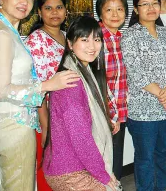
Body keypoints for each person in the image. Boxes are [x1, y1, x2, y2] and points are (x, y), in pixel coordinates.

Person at [0, 0, 79, 190]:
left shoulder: (5, 30)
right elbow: (1, 90)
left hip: (11, 121)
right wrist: (48, 85)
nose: (25, 2)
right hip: (12, 125)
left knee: (14, 183)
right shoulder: (1, 34)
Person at [43, 16, 120, 191]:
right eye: (84, 39)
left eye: (96, 39)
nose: (92, 46)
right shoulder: (71, 82)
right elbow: (81, 138)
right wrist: (103, 175)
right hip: (70, 171)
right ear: (70, 43)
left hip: (73, 163)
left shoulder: (83, 71)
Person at [121, 0, 166, 191]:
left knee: (161, 154)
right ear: (136, 10)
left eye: (154, 3)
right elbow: (136, 71)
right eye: (144, 4)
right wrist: (162, 94)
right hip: (142, 111)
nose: (151, 7)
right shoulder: (129, 35)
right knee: (145, 159)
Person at [25, 0, 68, 191]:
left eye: (59, 7)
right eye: (48, 8)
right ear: (40, 12)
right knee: (48, 169)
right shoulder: (36, 40)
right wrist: (46, 126)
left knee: (65, 169)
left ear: (66, 11)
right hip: (47, 117)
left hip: (67, 115)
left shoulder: (68, 37)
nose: (54, 12)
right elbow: (38, 86)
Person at [95, 0, 129, 190]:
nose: (115, 14)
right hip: (103, 113)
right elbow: (97, 81)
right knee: (100, 160)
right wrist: (110, 114)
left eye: (120, 9)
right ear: (100, 13)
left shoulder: (121, 38)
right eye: (109, 10)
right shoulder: (96, 38)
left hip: (119, 112)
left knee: (115, 160)